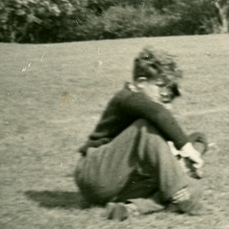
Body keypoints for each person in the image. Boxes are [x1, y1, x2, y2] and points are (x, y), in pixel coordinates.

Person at [75, 46, 207, 220]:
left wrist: (185, 155)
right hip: (95, 173)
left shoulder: (148, 105)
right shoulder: (126, 97)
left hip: (123, 185)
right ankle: (179, 189)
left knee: (199, 140)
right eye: (159, 86)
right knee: (146, 127)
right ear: (140, 82)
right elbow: (158, 114)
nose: (164, 93)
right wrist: (185, 150)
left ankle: (132, 208)